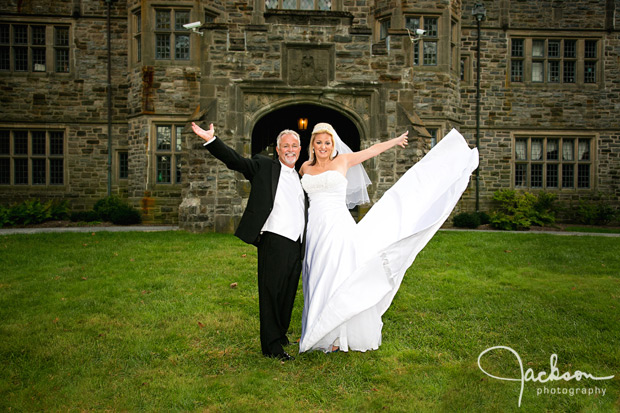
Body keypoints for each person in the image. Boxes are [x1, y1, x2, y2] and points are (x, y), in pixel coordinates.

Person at [298, 123, 479, 353]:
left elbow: (371, 151)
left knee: (337, 272)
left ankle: (335, 336)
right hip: (315, 228)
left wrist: (394, 142)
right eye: (319, 142)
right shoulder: (304, 168)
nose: (323, 146)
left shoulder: (342, 161)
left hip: (337, 226)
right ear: (312, 145)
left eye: (327, 142)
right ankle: (315, 326)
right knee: (316, 273)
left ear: (333, 145)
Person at [191, 122, 305, 361]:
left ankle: (280, 334)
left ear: (300, 148)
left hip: (296, 243)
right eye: (286, 146)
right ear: (277, 149)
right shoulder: (263, 166)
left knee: (287, 293)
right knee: (271, 294)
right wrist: (213, 140)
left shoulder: (300, 175)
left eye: (295, 145)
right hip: (273, 240)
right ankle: (272, 347)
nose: (290, 149)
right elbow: (236, 161)